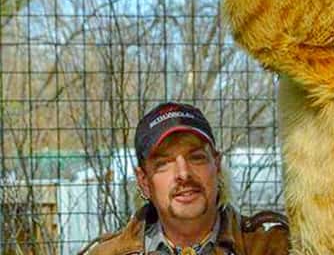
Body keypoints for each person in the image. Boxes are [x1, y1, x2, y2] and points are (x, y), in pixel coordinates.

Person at [80, 102, 289, 255]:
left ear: (216, 166)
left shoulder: (273, 246)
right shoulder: (106, 253)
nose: (183, 173)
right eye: (164, 163)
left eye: (196, 157)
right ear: (144, 181)